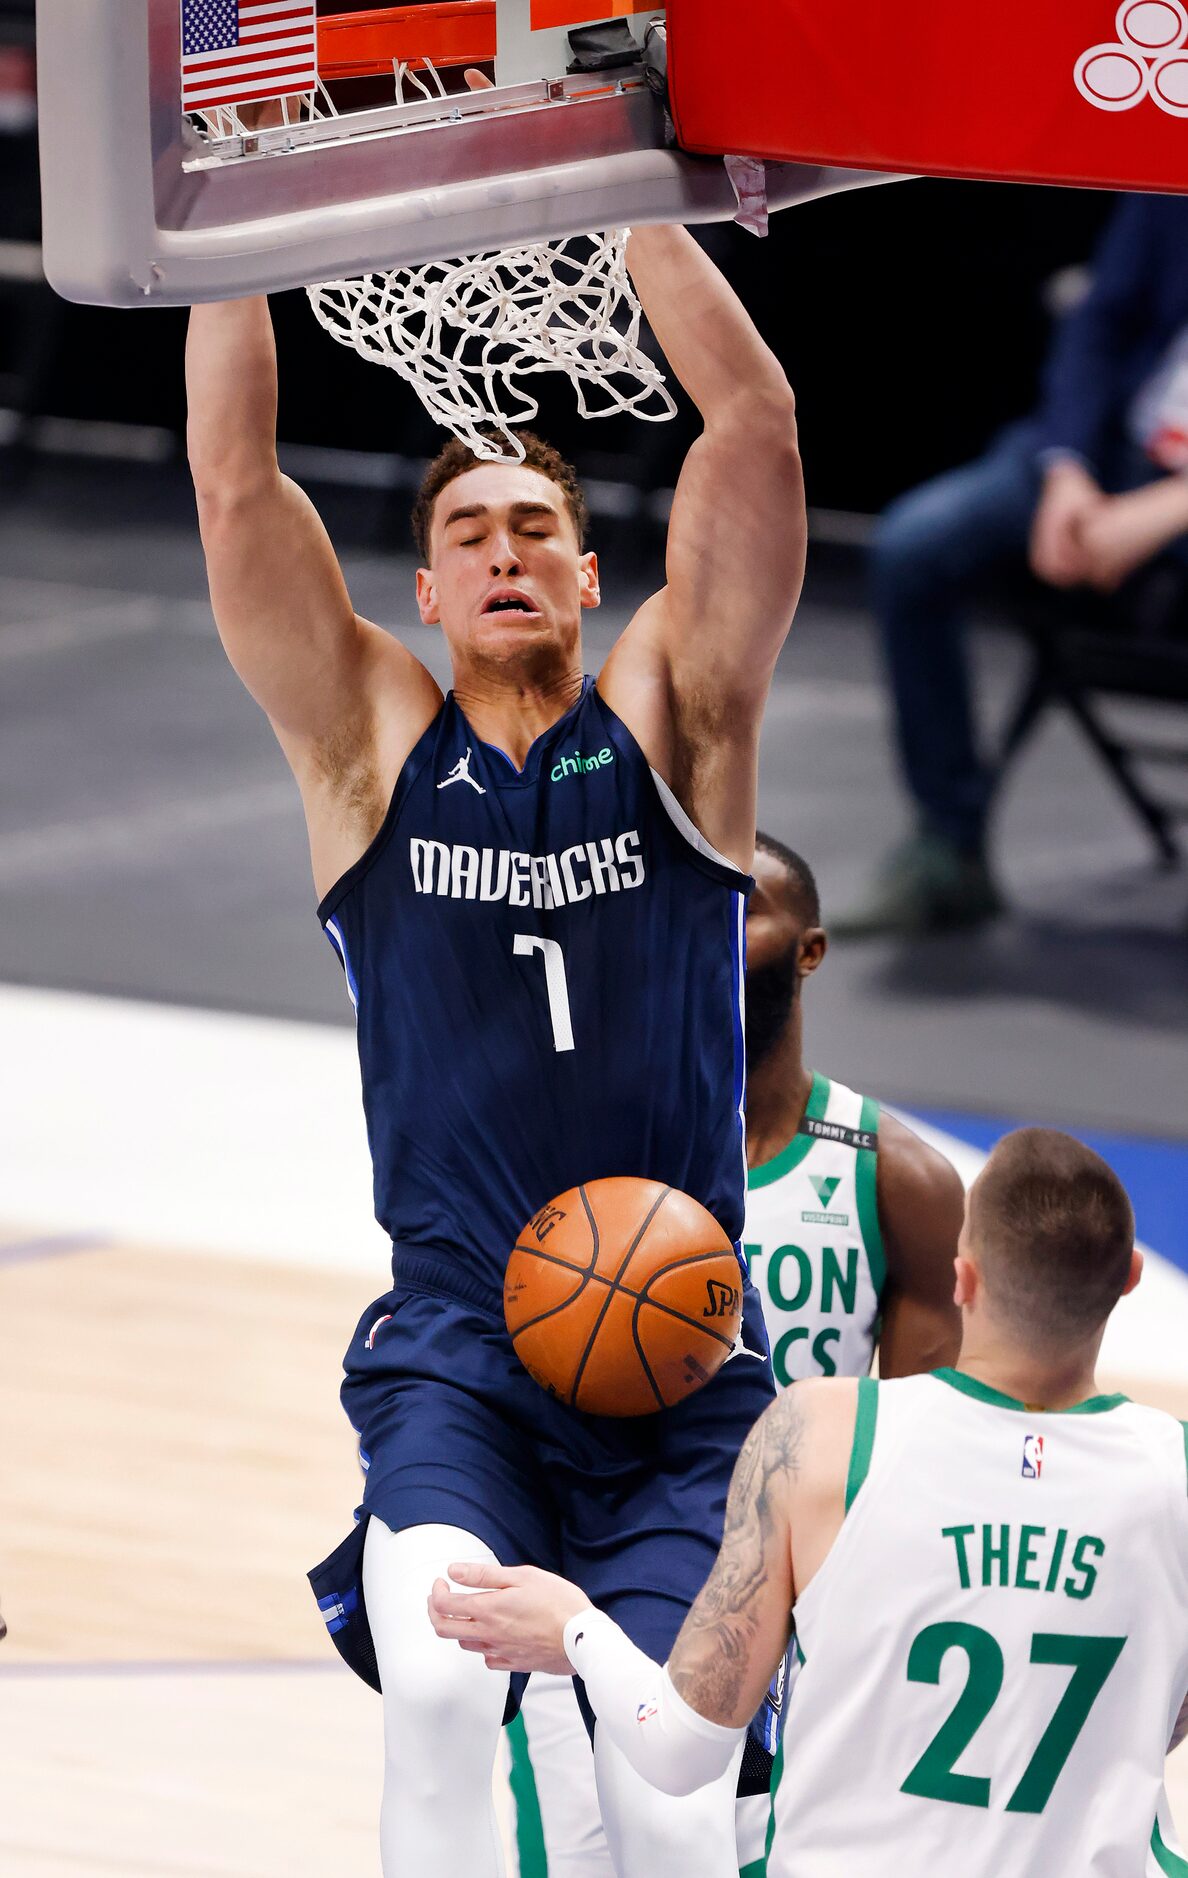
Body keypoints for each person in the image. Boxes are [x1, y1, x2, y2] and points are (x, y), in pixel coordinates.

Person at [185, 220, 803, 1877]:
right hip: (459, 1343)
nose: (508, 549)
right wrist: (219, 237)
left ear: (593, 575)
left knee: (676, 1759)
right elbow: (238, 487)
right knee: (448, 1695)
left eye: (538, 524)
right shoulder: (366, 741)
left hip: (677, 1354)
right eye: (471, 531)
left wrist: (638, 204)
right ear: (429, 586)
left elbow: (748, 428)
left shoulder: (680, 721)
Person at [430, 1127, 1188, 1877]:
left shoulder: (825, 1434)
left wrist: (575, 1632)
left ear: (963, 1279)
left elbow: (679, 1751)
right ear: (1128, 1276)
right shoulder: (1176, 1472)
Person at [506, 831, 965, 1876]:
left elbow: (924, 1441)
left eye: (744, 913)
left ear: (807, 951)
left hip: (794, 1611)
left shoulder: (896, 1176)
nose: (714, 938)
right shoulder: (592, 1150)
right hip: (614, 1558)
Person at [843, 193, 1188, 936]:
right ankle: (950, 847)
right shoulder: (1172, 169)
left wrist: (1174, 507)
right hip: (1116, 454)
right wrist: (1069, 469)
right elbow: (1101, 319)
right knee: (915, 546)